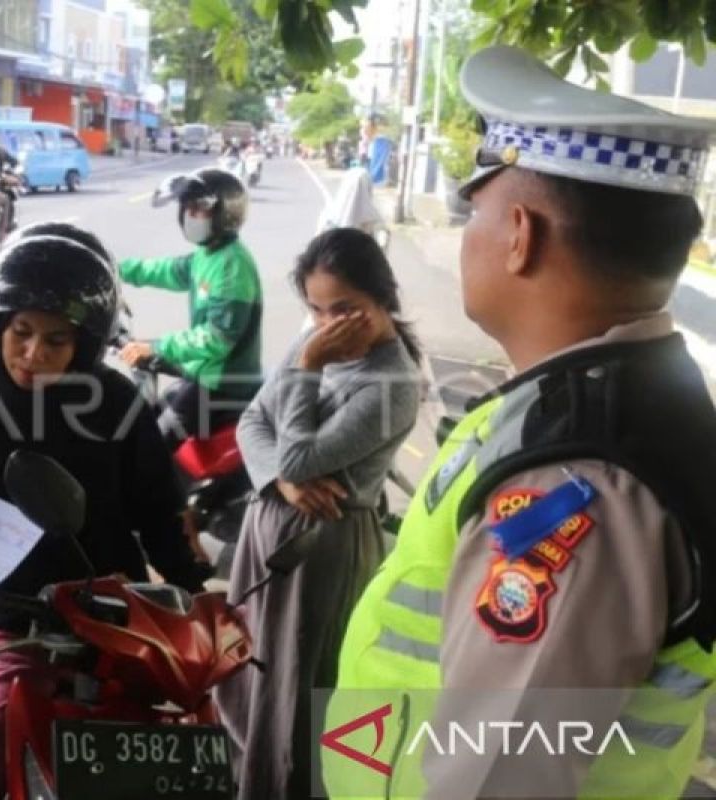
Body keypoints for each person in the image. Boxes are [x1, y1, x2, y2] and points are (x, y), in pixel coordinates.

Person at [323, 46, 716, 799]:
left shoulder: (578, 479)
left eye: (477, 209)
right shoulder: (607, 403)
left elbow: (498, 780)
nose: (469, 231)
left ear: (520, 235)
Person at [0, 227, 213, 800]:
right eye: (21, 332)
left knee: (184, 732)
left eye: (55, 341)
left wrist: (194, 593)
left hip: (111, 609)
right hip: (11, 616)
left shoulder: (115, 403)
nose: (32, 354)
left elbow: (157, 507)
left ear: (83, 346)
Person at [214, 228, 422, 800]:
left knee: (296, 684)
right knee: (250, 666)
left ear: (384, 299)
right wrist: (280, 477)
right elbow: (253, 422)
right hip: (269, 528)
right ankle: (245, 775)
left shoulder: (393, 383)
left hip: (318, 550)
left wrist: (307, 369)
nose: (329, 324)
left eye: (347, 309)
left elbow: (302, 454)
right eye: (317, 309)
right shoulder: (317, 342)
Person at [118, 168, 263, 448]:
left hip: (222, 382)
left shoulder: (232, 265)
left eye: (198, 210)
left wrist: (157, 347)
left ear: (226, 215)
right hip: (205, 371)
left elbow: (217, 338)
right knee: (147, 419)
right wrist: (115, 269)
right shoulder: (208, 254)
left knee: (153, 448)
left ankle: (164, 493)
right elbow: (166, 270)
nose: (188, 216)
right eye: (187, 209)